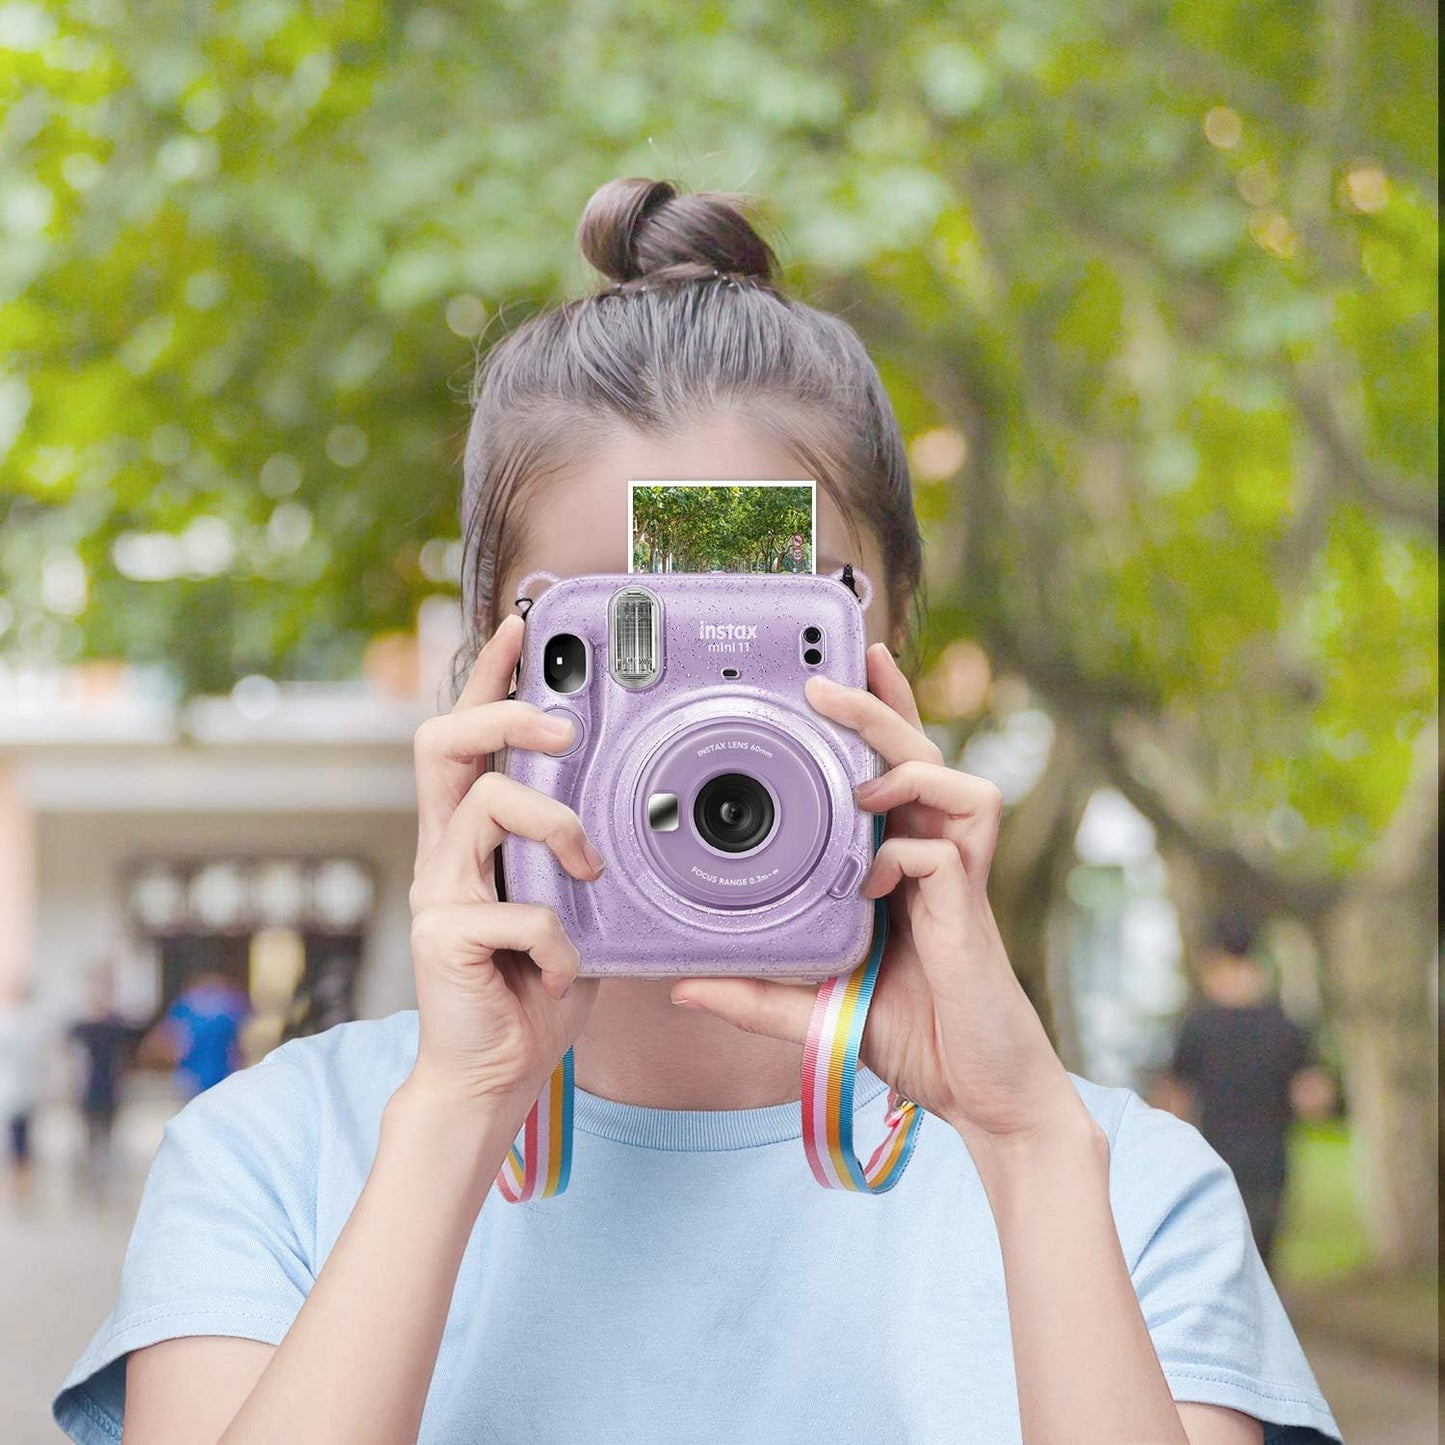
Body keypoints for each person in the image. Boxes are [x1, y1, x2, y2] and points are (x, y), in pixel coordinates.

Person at [54, 178, 1342, 1444]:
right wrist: (456, 1115)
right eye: (622, 643)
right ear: (489, 670)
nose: (705, 725)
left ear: (889, 651)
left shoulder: (1116, 1184)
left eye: (779, 638)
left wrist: (1024, 1148)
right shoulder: (279, 1156)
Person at [1160, 912, 1336, 1275]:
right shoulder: (1286, 1025)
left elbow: (1172, 1102)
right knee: (1263, 1265)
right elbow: (1315, 1101)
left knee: (1221, 1265)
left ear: (1213, 960)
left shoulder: (1197, 1026)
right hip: (1271, 1163)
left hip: (1213, 1160)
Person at [68, 968, 145, 1206]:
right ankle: (92, 1186)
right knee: (90, 1138)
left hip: (111, 1088)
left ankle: (104, 1186)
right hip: (89, 1088)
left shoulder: (116, 1026)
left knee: (109, 1138)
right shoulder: (82, 1026)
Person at [139, 967, 253, 1101]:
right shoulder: (231, 1004)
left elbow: (172, 1035)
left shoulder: (189, 1004)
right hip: (220, 1070)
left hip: (192, 1073)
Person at [0, 978, 50, 1210]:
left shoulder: (31, 1022)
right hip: (12, 1091)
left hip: (27, 1092)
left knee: (23, 1138)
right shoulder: (9, 1022)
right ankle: (17, 1179)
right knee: (14, 1138)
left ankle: (22, 1180)